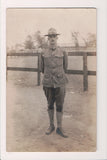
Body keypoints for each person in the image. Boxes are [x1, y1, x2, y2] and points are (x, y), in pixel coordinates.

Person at [40, 28, 68, 138]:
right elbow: (41, 68)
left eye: (54, 37)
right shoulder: (43, 53)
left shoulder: (63, 52)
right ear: (48, 39)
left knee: (60, 105)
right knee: (50, 104)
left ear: (57, 38)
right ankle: (51, 125)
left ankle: (59, 128)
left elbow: (65, 67)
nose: (52, 39)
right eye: (50, 37)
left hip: (60, 82)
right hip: (48, 83)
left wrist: (59, 75)